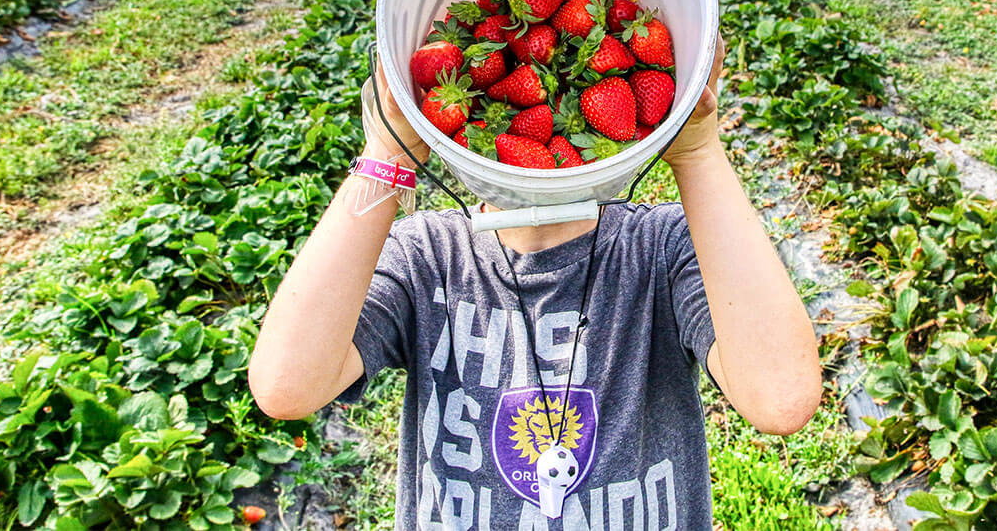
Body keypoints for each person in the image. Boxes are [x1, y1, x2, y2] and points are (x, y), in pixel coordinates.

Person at [247, 39, 823, 528]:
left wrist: (697, 152)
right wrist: (385, 151)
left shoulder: (661, 250)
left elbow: (780, 397)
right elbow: (285, 386)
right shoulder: (427, 257)